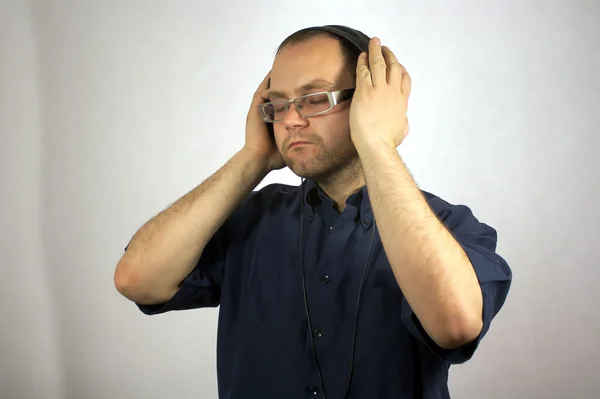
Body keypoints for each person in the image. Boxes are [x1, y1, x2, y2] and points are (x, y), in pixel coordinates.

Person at [114, 25, 512, 399]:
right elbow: (137, 279)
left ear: (370, 100)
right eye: (277, 105)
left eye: (316, 98)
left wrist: (378, 144)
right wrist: (252, 158)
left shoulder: (447, 226)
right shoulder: (253, 219)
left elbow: (455, 325)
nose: (291, 120)